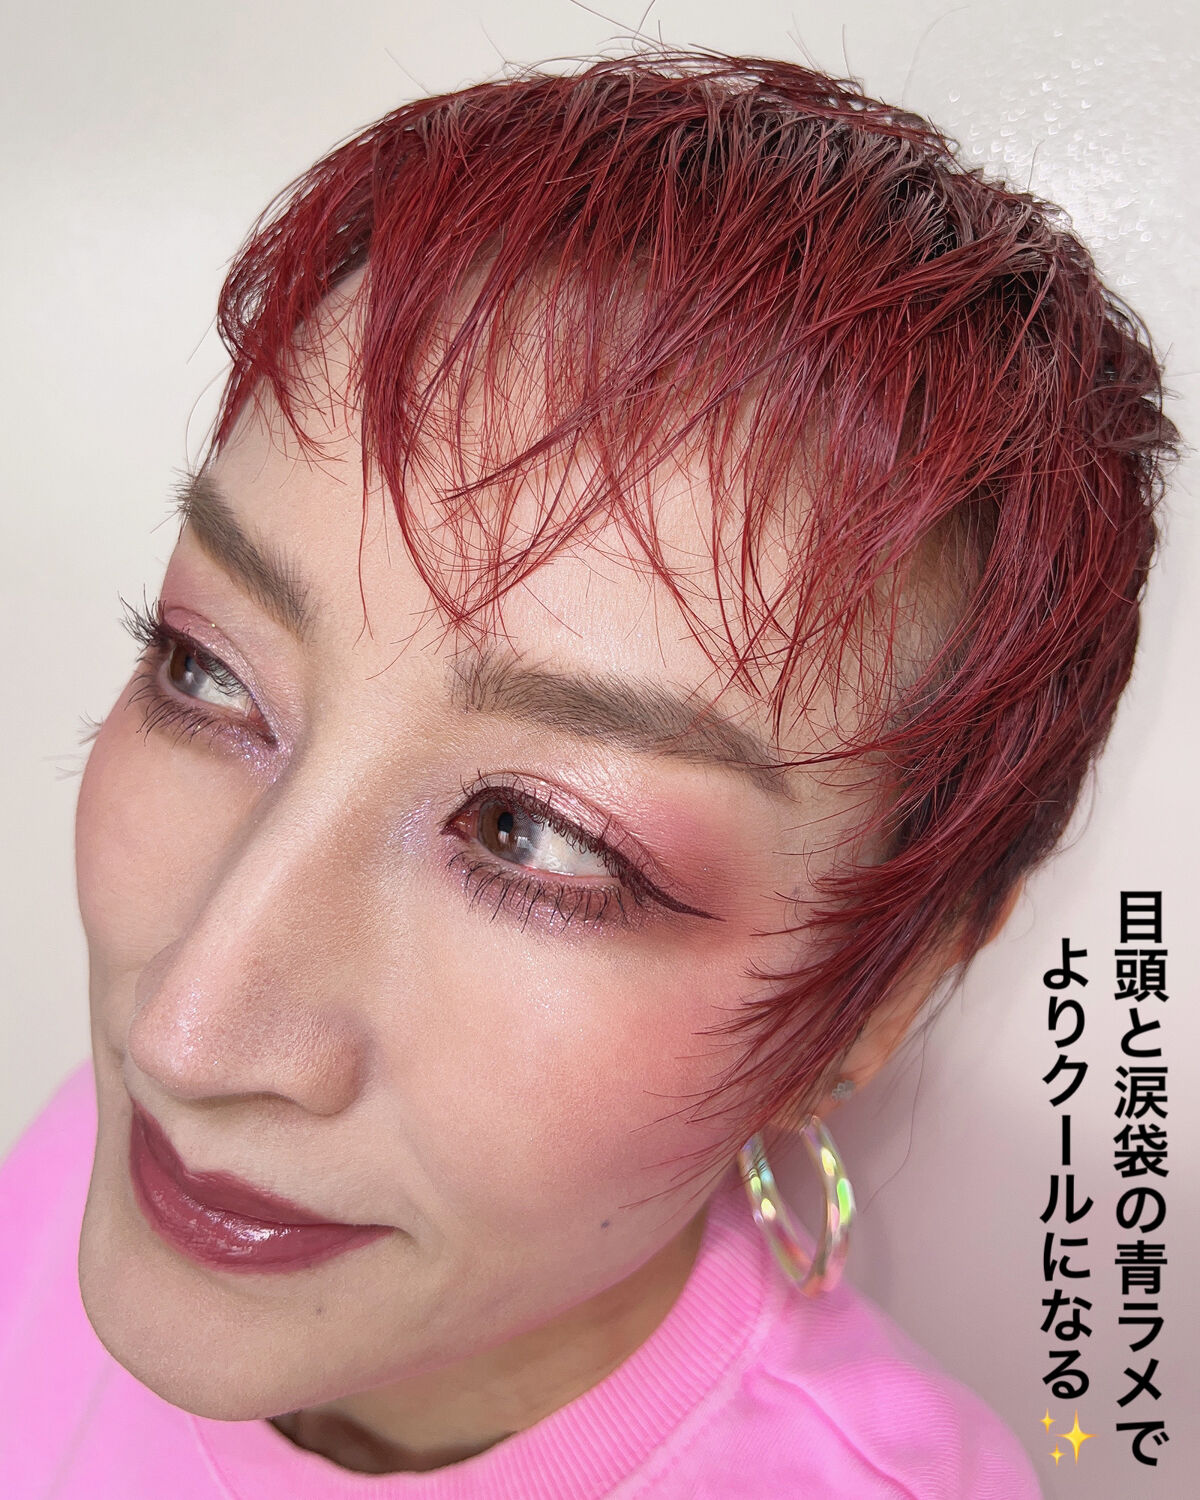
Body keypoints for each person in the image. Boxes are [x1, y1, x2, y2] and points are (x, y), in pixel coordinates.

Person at [0, 47, 1178, 1499]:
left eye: (535, 835)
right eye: (205, 672)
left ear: (871, 999)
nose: (184, 1037)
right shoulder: (112, 1161)